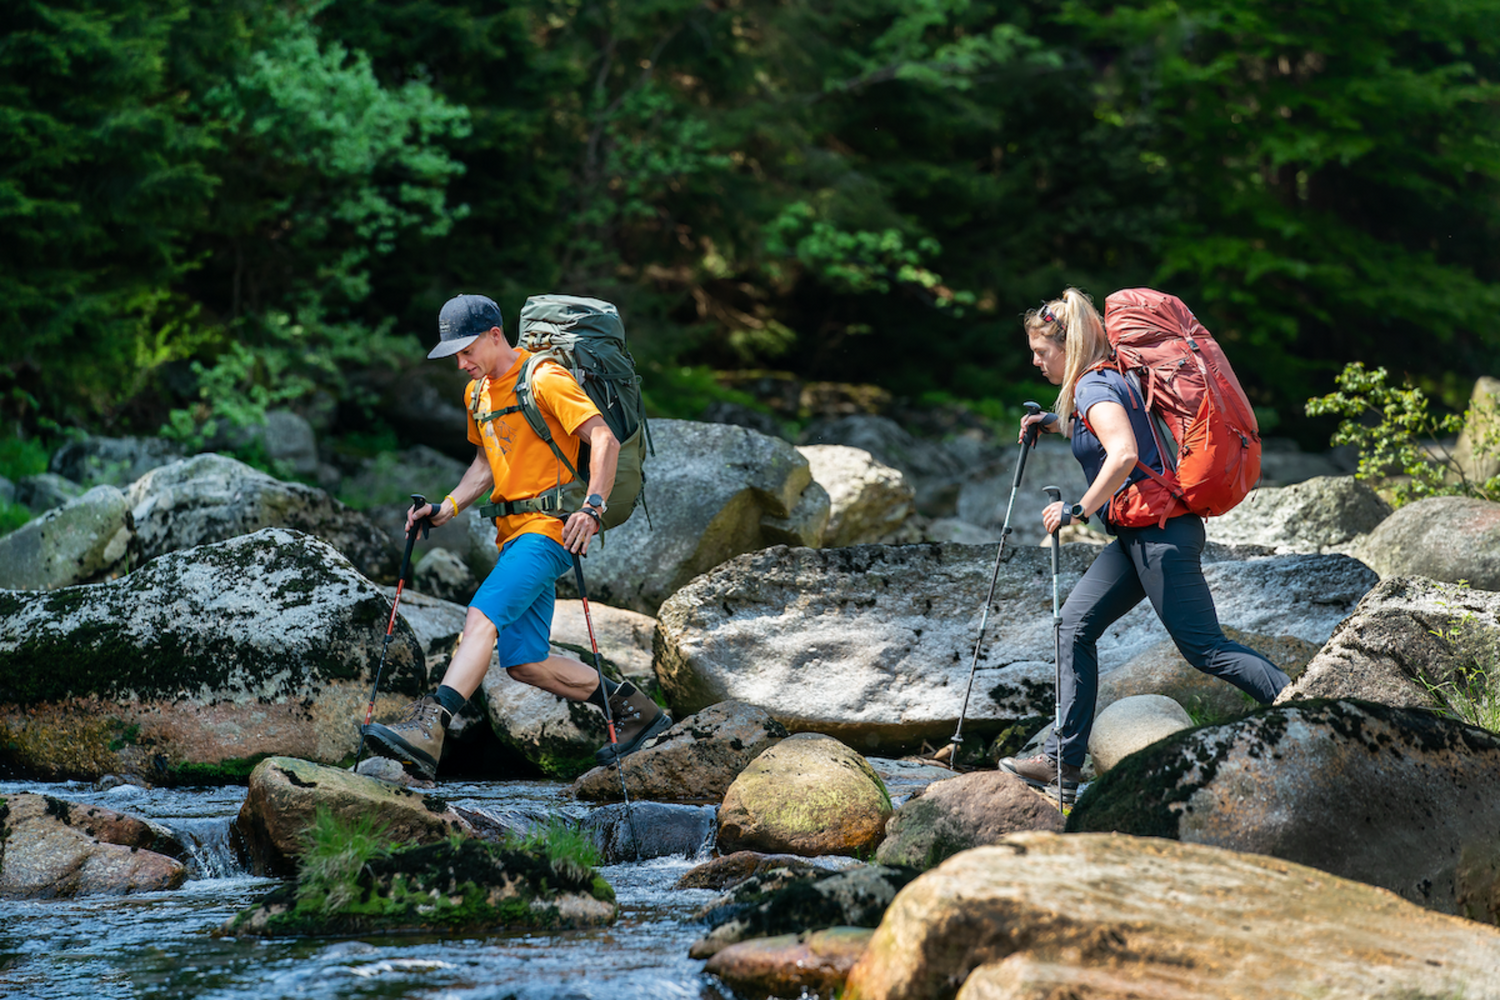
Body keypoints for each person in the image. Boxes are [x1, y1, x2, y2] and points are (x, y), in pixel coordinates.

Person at [363, 293, 671, 779]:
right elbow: (485, 463)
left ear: (494, 335)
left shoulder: (544, 378)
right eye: (455, 356)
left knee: (481, 615)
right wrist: (445, 508)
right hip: (512, 536)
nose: (461, 364)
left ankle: (431, 725)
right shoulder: (477, 394)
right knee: (525, 663)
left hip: (549, 531)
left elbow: (604, 438)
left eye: (467, 351)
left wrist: (592, 507)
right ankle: (638, 712)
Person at [998, 287, 1289, 802]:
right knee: (1073, 627)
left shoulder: (1094, 385)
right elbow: (1106, 426)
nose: (1036, 361)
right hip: (1141, 535)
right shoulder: (1108, 378)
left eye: (1041, 352)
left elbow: (1124, 453)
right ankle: (1061, 765)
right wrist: (1053, 421)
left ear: (1067, 347)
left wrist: (1077, 510)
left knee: (1206, 650)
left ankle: (1303, 706)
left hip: (1160, 536)